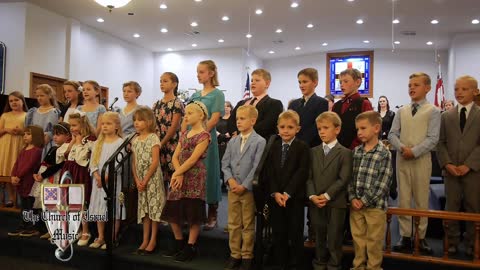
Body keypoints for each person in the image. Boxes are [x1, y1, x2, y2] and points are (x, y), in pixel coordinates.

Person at [389, 72, 441, 254]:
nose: (411, 88)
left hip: (421, 160)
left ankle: (421, 236)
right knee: (404, 198)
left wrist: (415, 151)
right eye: (410, 84)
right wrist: (402, 148)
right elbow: (392, 134)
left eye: (416, 85)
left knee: (421, 199)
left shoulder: (433, 111)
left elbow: (433, 138)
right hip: (403, 159)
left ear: (427, 88)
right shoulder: (402, 110)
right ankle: (405, 236)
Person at [260, 110, 310, 269]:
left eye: (290, 127)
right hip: (276, 198)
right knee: (278, 233)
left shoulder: (302, 147)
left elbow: (301, 172)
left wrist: (287, 193)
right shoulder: (273, 146)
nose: (286, 130)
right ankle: (280, 262)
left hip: (294, 198)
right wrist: (275, 192)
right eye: (282, 127)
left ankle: (296, 264)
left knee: (295, 233)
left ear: (298, 129)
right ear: (277, 128)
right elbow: (270, 171)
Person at [161, 101, 211, 262]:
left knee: (193, 212)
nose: (186, 116)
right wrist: (178, 174)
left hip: (195, 176)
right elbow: (175, 156)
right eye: (186, 113)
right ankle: (178, 243)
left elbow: (192, 160)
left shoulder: (204, 136)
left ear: (201, 115)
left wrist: (178, 172)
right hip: (180, 174)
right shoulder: (184, 134)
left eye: (190, 113)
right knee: (173, 209)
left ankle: (191, 246)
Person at [437, 75, 480, 256]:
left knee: (473, 206)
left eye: (464, 89)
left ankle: (472, 242)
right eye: (456, 89)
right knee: (451, 207)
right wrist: (447, 164)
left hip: (473, 172)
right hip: (451, 171)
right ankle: (452, 241)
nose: (459, 92)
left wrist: (468, 165)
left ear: (475, 91)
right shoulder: (447, 116)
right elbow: (441, 143)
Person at [288, 67, 329, 247]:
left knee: (312, 187)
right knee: (295, 187)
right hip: (294, 149)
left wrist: (301, 143)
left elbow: (316, 126)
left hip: (311, 149)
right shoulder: (294, 104)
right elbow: (289, 124)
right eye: (299, 82)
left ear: (315, 82)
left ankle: (312, 228)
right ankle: (294, 228)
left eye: (305, 82)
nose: (301, 85)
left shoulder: (320, 103)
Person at [306, 112, 352, 270]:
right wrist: (312, 196)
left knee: (334, 237)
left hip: (335, 203)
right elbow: (309, 177)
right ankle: (319, 263)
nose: (322, 132)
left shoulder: (345, 153)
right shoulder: (313, 151)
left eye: (326, 128)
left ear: (337, 129)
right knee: (318, 236)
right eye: (319, 129)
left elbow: (343, 178)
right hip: (315, 202)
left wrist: (326, 195)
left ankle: (334, 264)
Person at [222, 105, 266, 270]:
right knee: (233, 223)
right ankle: (235, 254)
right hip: (233, 188)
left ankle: (247, 255)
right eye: (237, 119)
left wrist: (244, 185)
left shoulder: (259, 141)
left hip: (247, 191)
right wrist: (230, 180)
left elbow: (256, 167)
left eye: (242, 118)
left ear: (253, 121)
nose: (238, 122)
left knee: (247, 224)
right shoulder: (233, 140)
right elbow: (225, 163)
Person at [348, 111, 392, 270]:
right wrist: (353, 197)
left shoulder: (384, 153)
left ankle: (373, 267)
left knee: (374, 242)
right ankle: (358, 266)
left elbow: (383, 183)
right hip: (356, 206)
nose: (359, 132)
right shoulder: (356, 152)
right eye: (357, 129)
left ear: (376, 128)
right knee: (358, 241)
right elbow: (350, 178)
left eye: (363, 128)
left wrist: (364, 200)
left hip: (375, 207)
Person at [186, 60, 225, 230]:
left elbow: (215, 118)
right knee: (193, 174)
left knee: (209, 173)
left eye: (201, 72)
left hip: (207, 140)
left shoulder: (217, 94)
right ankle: (195, 213)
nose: (198, 75)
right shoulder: (194, 96)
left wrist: (200, 134)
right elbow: (188, 117)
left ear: (211, 73)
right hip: (191, 140)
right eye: (197, 72)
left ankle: (213, 212)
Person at [88, 112, 126, 250]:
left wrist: (105, 178)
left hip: (112, 181)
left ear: (116, 126)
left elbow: (119, 164)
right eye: (103, 123)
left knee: (112, 207)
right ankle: (100, 236)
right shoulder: (98, 142)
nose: (104, 126)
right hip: (98, 182)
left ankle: (112, 237)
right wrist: (97, 176)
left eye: (108, 123)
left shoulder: (120, 143)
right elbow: (93, 162)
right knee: (99, 207)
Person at [131, 107, 166, 255]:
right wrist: (137, 179)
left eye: (140, 120)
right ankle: (144, 240)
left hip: (152, 179)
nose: (136, 123)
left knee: (153, 209)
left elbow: (155, 161)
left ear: (149, 122)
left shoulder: (153, 138)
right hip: (141, 180)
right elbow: (134, 162)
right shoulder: (135, 140)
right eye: (135, 120)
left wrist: (145, 179)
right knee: (144, 210)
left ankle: (153, 239)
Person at [62, 113, 97, 246]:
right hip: (69, 171)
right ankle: (77, 229)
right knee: (71, 203)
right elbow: (64, 155)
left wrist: (77, 141)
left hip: (80, 172)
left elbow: (81, 159)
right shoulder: (72, 139)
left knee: (81, 202)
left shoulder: (90, 139)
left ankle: (86, 231)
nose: (71, 128)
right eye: (70, 125)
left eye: (74, 125)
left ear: (83, 125)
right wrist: (72, 141)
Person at [32, 122, 71, 240]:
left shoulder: (64, 151)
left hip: (53, 179)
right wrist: (35, 172)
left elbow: (57, 166)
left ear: (67, 136)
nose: (54, 137)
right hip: (45, 180)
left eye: (58, 135)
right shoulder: (53, 148)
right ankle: (50, 230)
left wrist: (43, 175)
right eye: (54, 134)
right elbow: (43, 162)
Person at [7, 125, 43, 237]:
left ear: (36, 136)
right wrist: (13, 175)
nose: (25, 136)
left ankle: (32, 227)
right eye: (24, 134)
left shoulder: (37, 150)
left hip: (29, 182)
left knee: (30, 205)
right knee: (23, 206)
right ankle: (23, 225)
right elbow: (17, 163)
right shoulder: (23, 149)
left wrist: (18, 176)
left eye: (28, 134)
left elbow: (29, 165)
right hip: (21, 182)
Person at [228, 69, 284, 140]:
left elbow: (266, 126)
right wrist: (235, 134)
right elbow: (231, 121)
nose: (253, 83)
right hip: (237, 143)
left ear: (267, 84)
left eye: (257, 80)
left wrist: (244, 134)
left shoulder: (274, 104)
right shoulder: (241, 103)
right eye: (252, 81)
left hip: (260, 144)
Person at [153, 72, 184, 192]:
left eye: (165, 81)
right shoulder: (156, 104)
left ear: (174, 84)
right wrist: (156, 142)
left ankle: (173, 207)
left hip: (172, 145)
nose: (161, 84)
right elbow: (153, 125)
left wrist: (162, 142)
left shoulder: (177, 103)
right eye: (160, 81)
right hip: (158, 144)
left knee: (173, 177)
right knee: (160, 179)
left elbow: (174, 127)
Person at [332, 68, 373, 149]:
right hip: (337, 148)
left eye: (346, 81)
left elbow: (367, 129)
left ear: (357, 82)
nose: (342, 85)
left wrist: (354, 147)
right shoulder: (336, 105)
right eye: (340, 82)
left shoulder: (364, 104)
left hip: (356, 149)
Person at [0, 91, 28, 208]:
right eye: (11, 101)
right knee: (7, 170)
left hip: (20, 146)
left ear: (22, 101)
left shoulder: (27, 115)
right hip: (6, 147)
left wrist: (21, 132)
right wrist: (6, 129)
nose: (13, 103)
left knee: (18, 171)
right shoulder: (5, 116)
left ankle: (21, 199)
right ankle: (11, 198)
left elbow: (30, 132)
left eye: (16, 100)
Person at [25, 84, 60, 159]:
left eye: (42, 95)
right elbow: (30, 129)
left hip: (44, 145)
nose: (39, 98)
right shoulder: (33, 111)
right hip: (33, 143)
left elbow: (51, 132)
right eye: (37, 96)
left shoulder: (53, 112)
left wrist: (40, 146)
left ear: (49, 96)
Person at [217, 101, 233, 191]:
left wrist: (222, 135)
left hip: (228, 146)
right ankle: (220, 183)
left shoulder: (232, 120)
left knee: (227, 164)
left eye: (228, 106)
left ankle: (226, 182)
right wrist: (222, 135)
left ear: (231, 108)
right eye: (224, 106)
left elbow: (231, 133)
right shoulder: (218, 118)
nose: (226, 108)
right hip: (218, 145)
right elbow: (214, 131)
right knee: (219, 165)